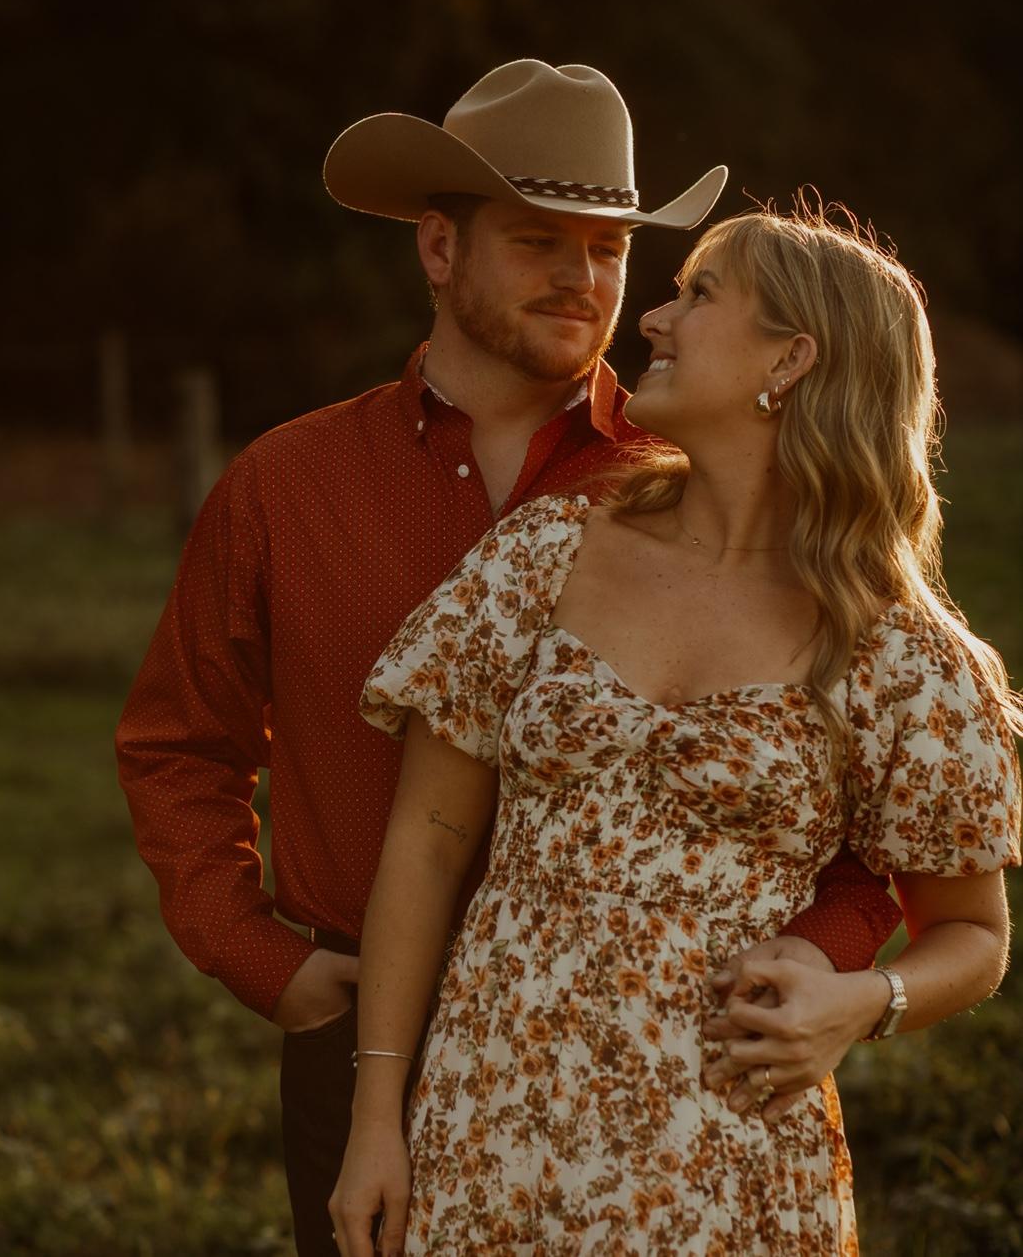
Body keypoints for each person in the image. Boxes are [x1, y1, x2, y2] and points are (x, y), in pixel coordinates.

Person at [115, 61, 903, 1255]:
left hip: (659, 1045)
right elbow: (180, 746)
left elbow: (870, 803)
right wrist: (259, 955)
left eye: (608, 249)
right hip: (364, 1022)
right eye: (540, 242)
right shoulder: (287, 486)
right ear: (439, 249)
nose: (583, 280)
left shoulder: (708, 484)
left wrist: (819, 970)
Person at [330, 200, 1022, 1255]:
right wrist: (377, 1117)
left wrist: (861, 1003)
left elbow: (974, 937)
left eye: (698, 295)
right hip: (492, 1124)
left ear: (790, 360)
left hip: (724, 1160)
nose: (650, 318)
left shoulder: (901, 653)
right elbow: (425, 847)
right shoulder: (548, 552)